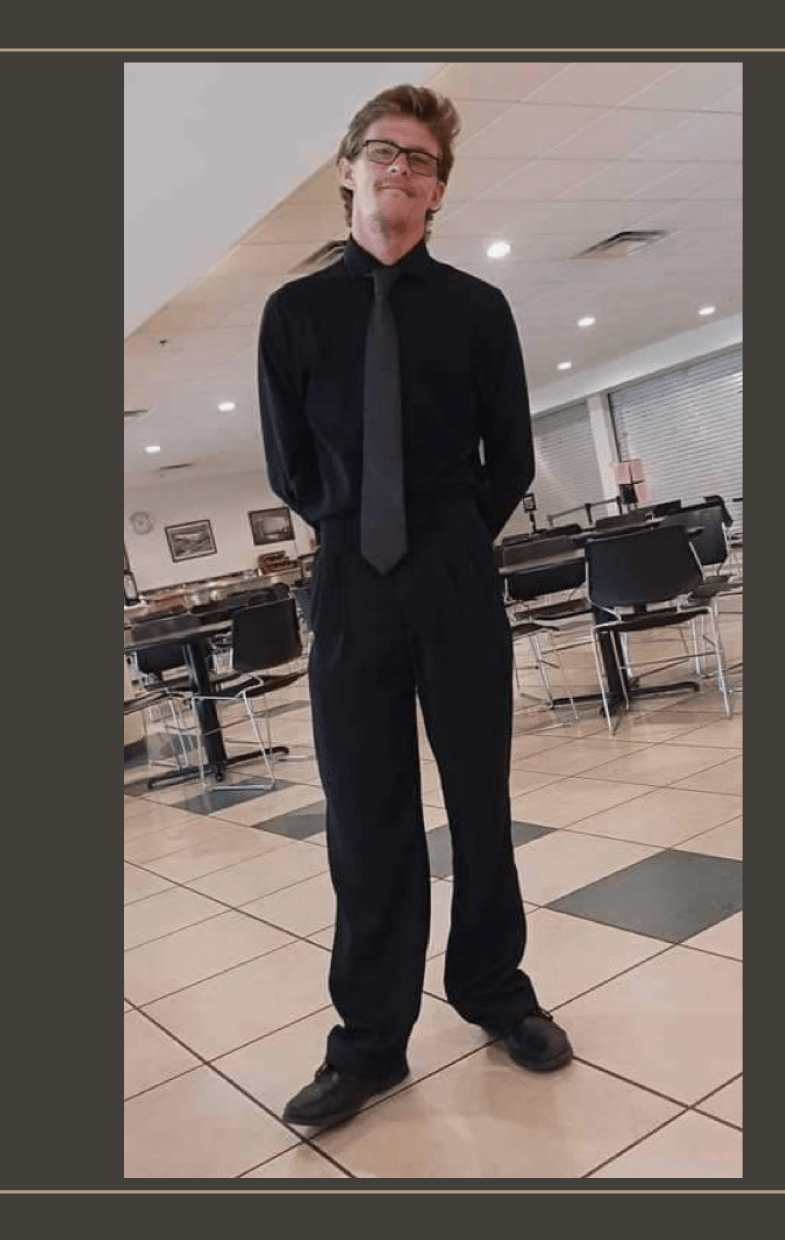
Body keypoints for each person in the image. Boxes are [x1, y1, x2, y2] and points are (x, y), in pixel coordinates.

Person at [257, 84, 571, 1128]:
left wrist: (443, 537)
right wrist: (359, 530)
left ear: (438, 190)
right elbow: (291, 468)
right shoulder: (293, 315)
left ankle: (495, 992)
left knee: (481, 802)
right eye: (382, 152)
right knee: (365, 817)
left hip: (452, 568)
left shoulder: (477, 310)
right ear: (347, 168)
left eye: (421, 160)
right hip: (348, 576)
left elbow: (511, 457)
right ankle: (370, 1043)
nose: (400, 169)